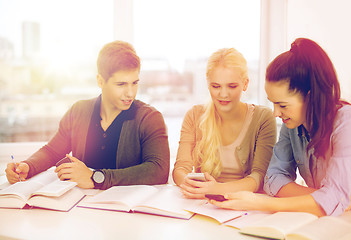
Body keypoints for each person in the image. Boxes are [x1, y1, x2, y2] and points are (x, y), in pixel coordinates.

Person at [210, 38, 351, 216]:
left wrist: (260, 203)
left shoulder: (346, 123)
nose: (276, 113)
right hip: (328, 218)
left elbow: (334, 199)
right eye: (273, 103)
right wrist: (327, 198)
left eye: (283, 105)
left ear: (310, 96)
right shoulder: (293, 124)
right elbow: (273, 179)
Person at [5, 40, 170, 190]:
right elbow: (52, 151)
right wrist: (28, 166)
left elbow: (159, 170)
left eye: (135, 83)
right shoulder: (78, 111)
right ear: (100, 81)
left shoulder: (150, 118)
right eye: (121, 84)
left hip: (128, 212)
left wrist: (96, 178)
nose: (130, 93)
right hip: (79, 208)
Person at [172, 47, 277, 199]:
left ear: (245, 84)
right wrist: (189, 183)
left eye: (232, 86)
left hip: (246, 207)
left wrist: (217, 189)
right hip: (203, 204)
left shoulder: (263, 118)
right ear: (208, 85)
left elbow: (259, 178)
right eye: (216, 86)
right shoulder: (194, 116)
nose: (223, 94)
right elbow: (180, 169)